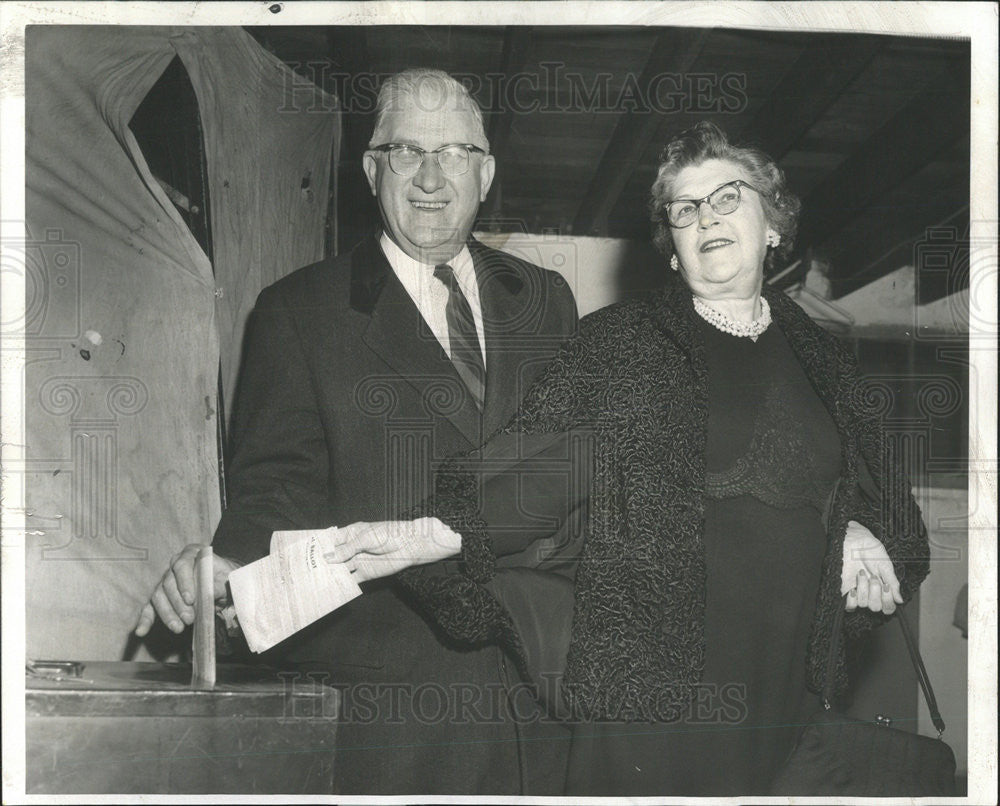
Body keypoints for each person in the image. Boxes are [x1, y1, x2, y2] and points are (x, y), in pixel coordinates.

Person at [329, 121, 931, 795]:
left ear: (772, 225)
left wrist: (859, 532)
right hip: (652, 705)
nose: (705, 218)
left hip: (787, 701)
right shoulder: (623, 344)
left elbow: (900, 524)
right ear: (673, 249)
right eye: (685, 209)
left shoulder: (831, 367)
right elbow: (541, 473)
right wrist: (420, 535)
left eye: (727, 198)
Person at [134, 68, 578, 795]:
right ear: (372, 169)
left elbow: (574, 470)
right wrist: (227, 569)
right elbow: (275, 488)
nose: (432, 176)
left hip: (546, 693)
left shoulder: (545, 299)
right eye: (406, 151)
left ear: (486, 172)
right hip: (401, 714)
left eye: (456, 152)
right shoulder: (298, 312)